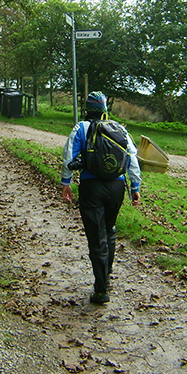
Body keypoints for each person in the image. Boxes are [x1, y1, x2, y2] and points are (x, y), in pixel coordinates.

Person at [61, 91, 141, 304]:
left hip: (91, 186)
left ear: (87, 109)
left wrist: (66, 183)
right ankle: (105, 278)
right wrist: (135, 186)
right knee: (109, 230)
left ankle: (101, 289)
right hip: (116, 187)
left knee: (97, 237)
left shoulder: (81, 127)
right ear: (105, 109)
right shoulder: (120, 129)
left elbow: (69, 156)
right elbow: (132, 159)